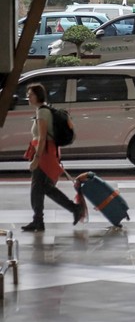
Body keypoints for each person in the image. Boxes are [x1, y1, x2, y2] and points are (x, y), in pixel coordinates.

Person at [22, 83, 83, 232]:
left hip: (44, 154)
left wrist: (36, 158)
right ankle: (71, 209)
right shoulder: (43, 110)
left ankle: (39, 221)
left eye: (31, 94)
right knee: (45, 188)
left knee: (37, 188)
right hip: (47, 152)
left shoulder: (42, 112)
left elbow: (42, 138)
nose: (28, 97)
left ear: (38, 95)